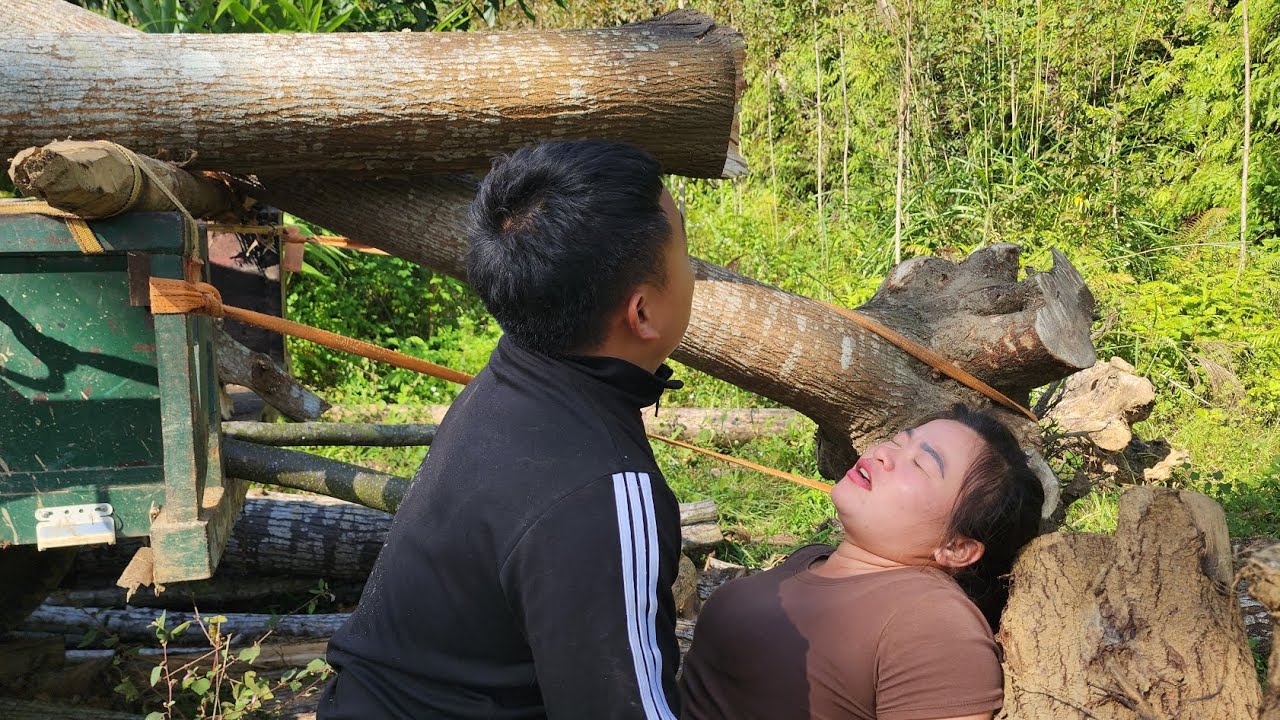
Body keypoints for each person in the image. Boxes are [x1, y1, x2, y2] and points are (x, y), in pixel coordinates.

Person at [317, 140, 696, 719]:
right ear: (642, 313)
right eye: (686, 253)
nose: (694, 271)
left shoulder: (514, 374)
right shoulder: (604, 491)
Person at [678, 405, 1044, 720]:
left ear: (957, 547)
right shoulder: (812, 559)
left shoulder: (934, 622)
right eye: (899, 440)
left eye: (919, 463)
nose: (884, 453)